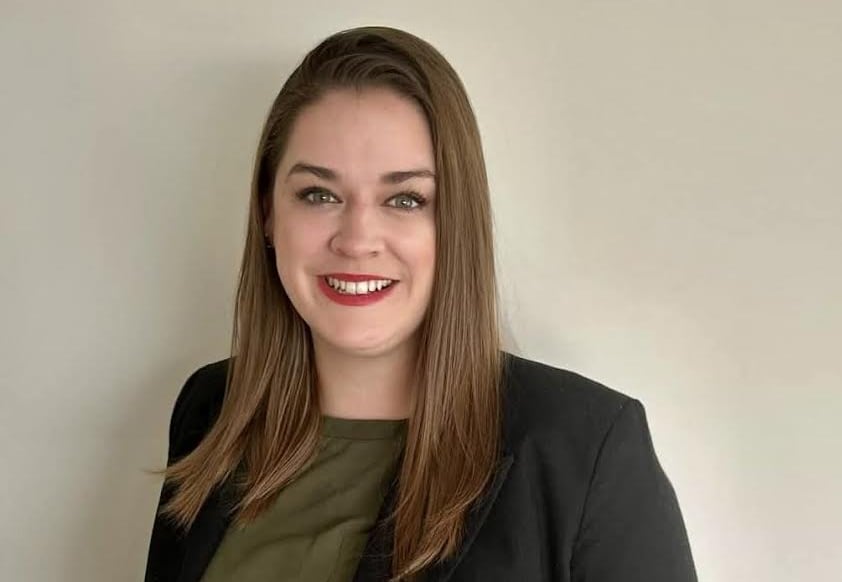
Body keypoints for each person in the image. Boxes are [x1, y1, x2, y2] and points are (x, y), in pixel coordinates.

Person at [144, 25, 698, 582]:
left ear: (455, 221)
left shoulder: (587, 450)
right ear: (268, 213)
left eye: (405, 199)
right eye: (319, 194)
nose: (358, 239)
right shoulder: (212, 411)